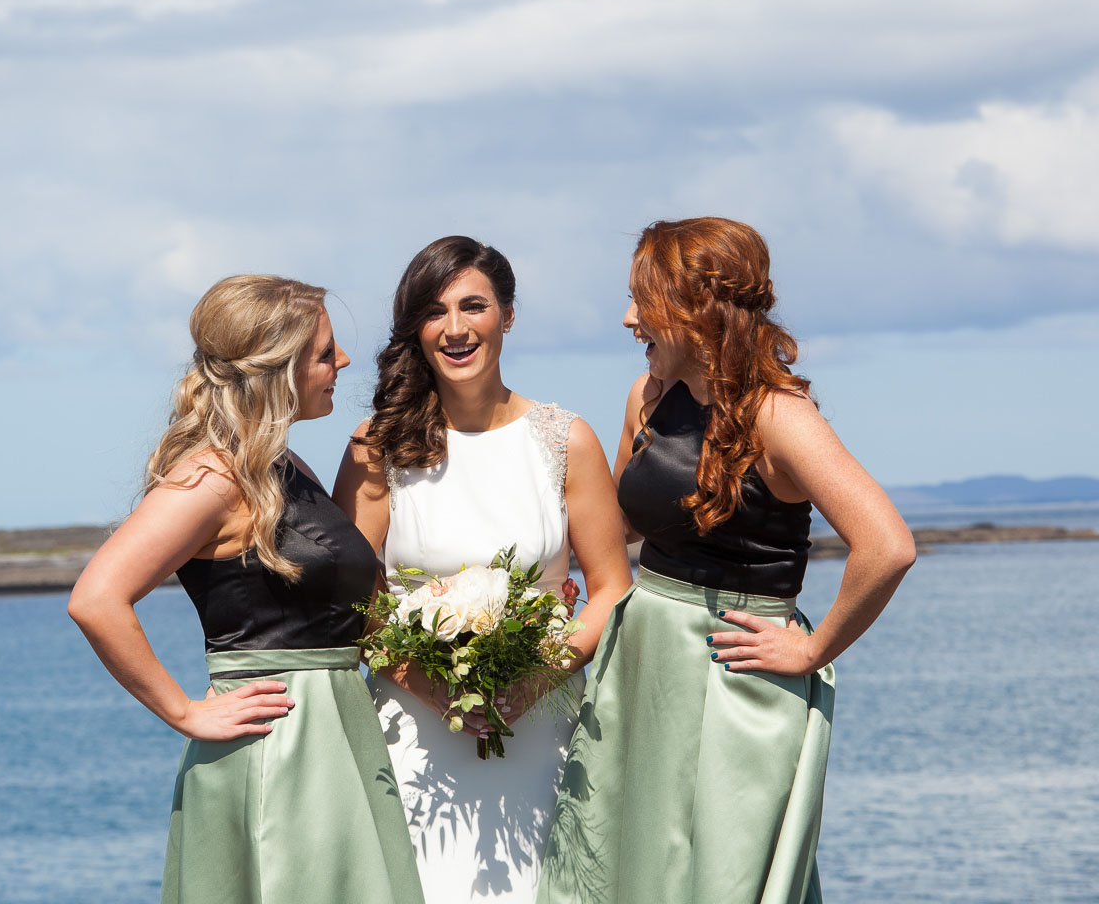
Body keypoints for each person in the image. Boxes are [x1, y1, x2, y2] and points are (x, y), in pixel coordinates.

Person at [538, 218, 917, 904]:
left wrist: (811, 651)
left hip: (731, 668)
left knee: (722, 873)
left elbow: (887, 546)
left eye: (642, 302)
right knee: (623, 864)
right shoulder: (646, 396)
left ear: (697, 308)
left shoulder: (781, 416)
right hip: (641, 656)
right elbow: (621, 524)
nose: (627, 319)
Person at [68, 275, 423, 904]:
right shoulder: (212, 475)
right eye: (324, 353)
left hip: (339, 733)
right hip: (279, 744)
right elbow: (96, 598)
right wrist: (184, 712)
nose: (342, 362)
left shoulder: (283, 466)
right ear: (277, 369)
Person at [333, 236, 632, 904]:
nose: (456, 328)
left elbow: (611, 589)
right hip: (413, 728)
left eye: (474, 306)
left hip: (543, 722)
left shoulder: (565, 439)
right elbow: (351, 603)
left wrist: (530, 684)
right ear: (416, 327)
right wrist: (433, 691)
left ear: (508, 315)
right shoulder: (378, 446)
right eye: (436, 312)